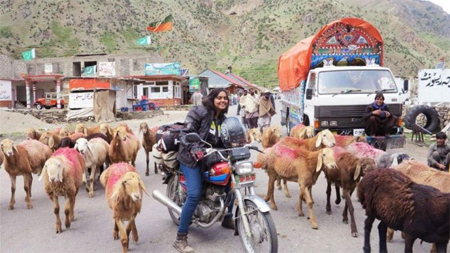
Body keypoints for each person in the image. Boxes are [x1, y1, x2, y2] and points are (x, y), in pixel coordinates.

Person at [174, 88, 234, 253]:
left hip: (211, 156)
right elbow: (186, 132)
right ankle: (181, 238)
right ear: (212, 98)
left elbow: (226, 138)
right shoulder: (198, 111)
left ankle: (228, 218)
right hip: (190, 157)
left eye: (225, 98)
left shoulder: (222, 118)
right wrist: (194, 147)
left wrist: (239, 142)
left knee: (231, 185)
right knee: (194, 194)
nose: (223, 100)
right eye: (219, 98)